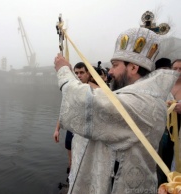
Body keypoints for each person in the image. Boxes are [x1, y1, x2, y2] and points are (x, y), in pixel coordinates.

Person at [54, 27, 179, 194]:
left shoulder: (141, 101)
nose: (110, 71)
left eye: (115, 65)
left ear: (133, 68)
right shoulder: (143, 95)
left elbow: (90, 104)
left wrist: (64, 72)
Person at [53, 62, 91, 178]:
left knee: (84, 162)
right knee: (71, 160)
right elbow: (64, 110)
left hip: (85, 132)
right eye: (77, 73)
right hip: (72, 130)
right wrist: (57, 129)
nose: (79, 76)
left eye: (82, 73)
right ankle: (71, 181)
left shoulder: (92, 90)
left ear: (88, 73)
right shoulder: (72, 91)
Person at [155, 58, 175, 186]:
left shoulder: (171, 88)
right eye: (161, 71)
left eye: (167, 70)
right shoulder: (152, 86)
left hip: (169, 132)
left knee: (166, 159)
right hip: (155, 130)